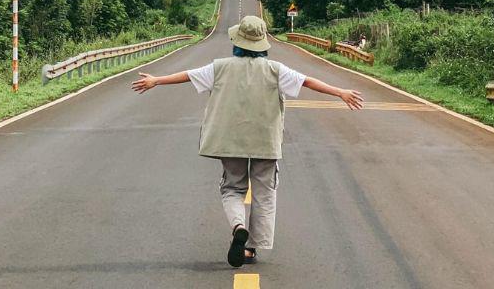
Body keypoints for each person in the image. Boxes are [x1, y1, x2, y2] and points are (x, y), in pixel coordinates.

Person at [132, 15, 363, 267]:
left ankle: (238, 225)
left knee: (232, 187)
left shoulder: (219, 66)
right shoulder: (276, 69)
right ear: (263, 43)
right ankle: (251, 248)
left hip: (229, 140)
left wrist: (156, 80)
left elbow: (187, 75)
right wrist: (340, 92)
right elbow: (307, 81)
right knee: (264, 192)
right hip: (265, 141)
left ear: (237, 41)